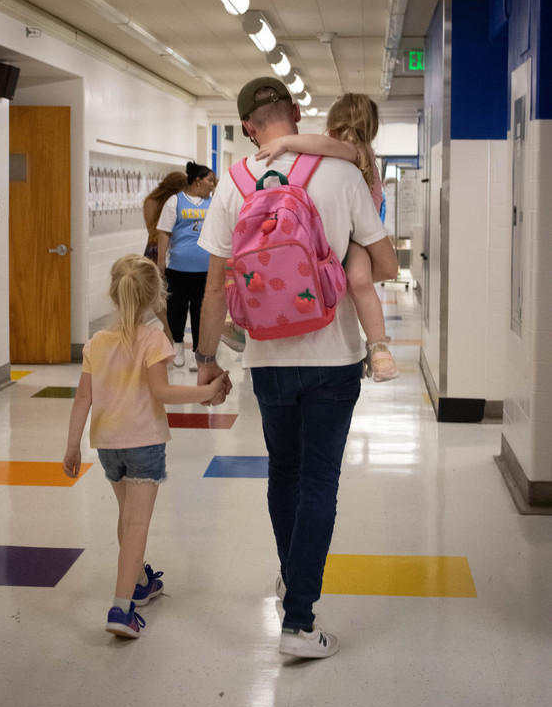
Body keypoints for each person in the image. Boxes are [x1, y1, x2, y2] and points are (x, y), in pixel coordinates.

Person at [195, 77, 398, 659]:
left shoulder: (232, 183)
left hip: (267, 358)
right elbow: (384, 265)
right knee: (318, 482)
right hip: (334, 356)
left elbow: (215, 288)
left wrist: (207, 361)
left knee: (282, 473)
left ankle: (292, 580)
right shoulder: (342, 173)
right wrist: (350, 253)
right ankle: (300, 621)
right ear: (296, 114)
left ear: (248, 127)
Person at [62, 254, 229, 639]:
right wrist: (206, 391)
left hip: (107, 445)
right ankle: (121, 608)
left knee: (127, 518)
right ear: (156, 297)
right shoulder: (153, 339)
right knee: (137, 524)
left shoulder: (95, 343)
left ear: (113, 293)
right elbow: (162, 392)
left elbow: (83, 399)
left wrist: (72, 446)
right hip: (143, 443)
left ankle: (139, 581)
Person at [255, 93, 399, 382]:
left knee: (357, 280)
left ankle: (379, 347)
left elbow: (323, 145)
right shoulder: (358, 154)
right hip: (353, 231)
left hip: (358, 237)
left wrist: (285, 142)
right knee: (341, 279)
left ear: (333, 127)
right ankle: (378, 348)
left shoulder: (354, 150)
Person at [156, 161, 217, 371]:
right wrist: (160, 261)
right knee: (177, 308)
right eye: (210, 180)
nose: (213, 184)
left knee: (201, 311)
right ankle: (178, 344)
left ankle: (198, 351)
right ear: (197, 181)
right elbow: (164, 232)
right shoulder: (175, 201)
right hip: (178, 267)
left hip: (206, 268)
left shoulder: (213, 203)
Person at [142, 171, 189, 341]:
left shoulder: (179, 202)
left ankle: (169, 329)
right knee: (156, 294)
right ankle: (169, 328)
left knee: (173, 295)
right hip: (157, 250)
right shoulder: (152, 202)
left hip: (175, 249)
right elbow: (153, 231)